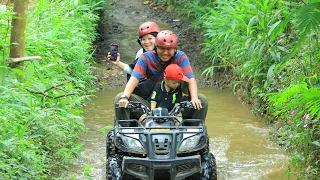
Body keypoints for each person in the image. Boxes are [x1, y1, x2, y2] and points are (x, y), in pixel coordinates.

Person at [115, 30, 208, 122]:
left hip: (176, 105)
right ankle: (124, 132)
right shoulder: (145, 57)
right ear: (156, 47)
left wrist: (194, 98)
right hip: (149, 103)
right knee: (119, 98)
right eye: (162, 48)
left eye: (169, 49)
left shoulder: (181, 57)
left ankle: (194, 132)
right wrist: (125, 97)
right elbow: (134, 78)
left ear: (175, 49)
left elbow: (191, 79)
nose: (165, 53)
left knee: (201, 100)